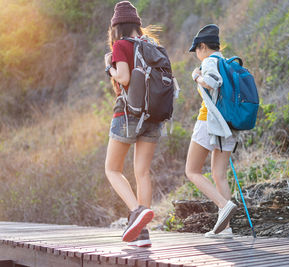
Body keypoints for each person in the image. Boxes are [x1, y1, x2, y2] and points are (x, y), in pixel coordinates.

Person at [104, 1, 161, 247]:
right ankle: (143, 233)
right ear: (138, 25)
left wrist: (110, 68)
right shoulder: (152, 45)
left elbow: (124, 77)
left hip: (127, 114)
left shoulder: (121, 45)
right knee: (142, 172)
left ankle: (136, 211)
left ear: (116, 28)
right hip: (154, 115)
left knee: (112, 169)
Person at [185, 24, 237, 239]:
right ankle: (226, 229)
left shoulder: (209, 61)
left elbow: (212, 82)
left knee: (192, 171)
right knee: (219, 175)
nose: (196, 55)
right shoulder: (228, 62)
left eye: (196, 50)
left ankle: (223, 205)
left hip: (209, 121)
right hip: (228, 125)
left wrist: (196, 77)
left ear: (203, 46)